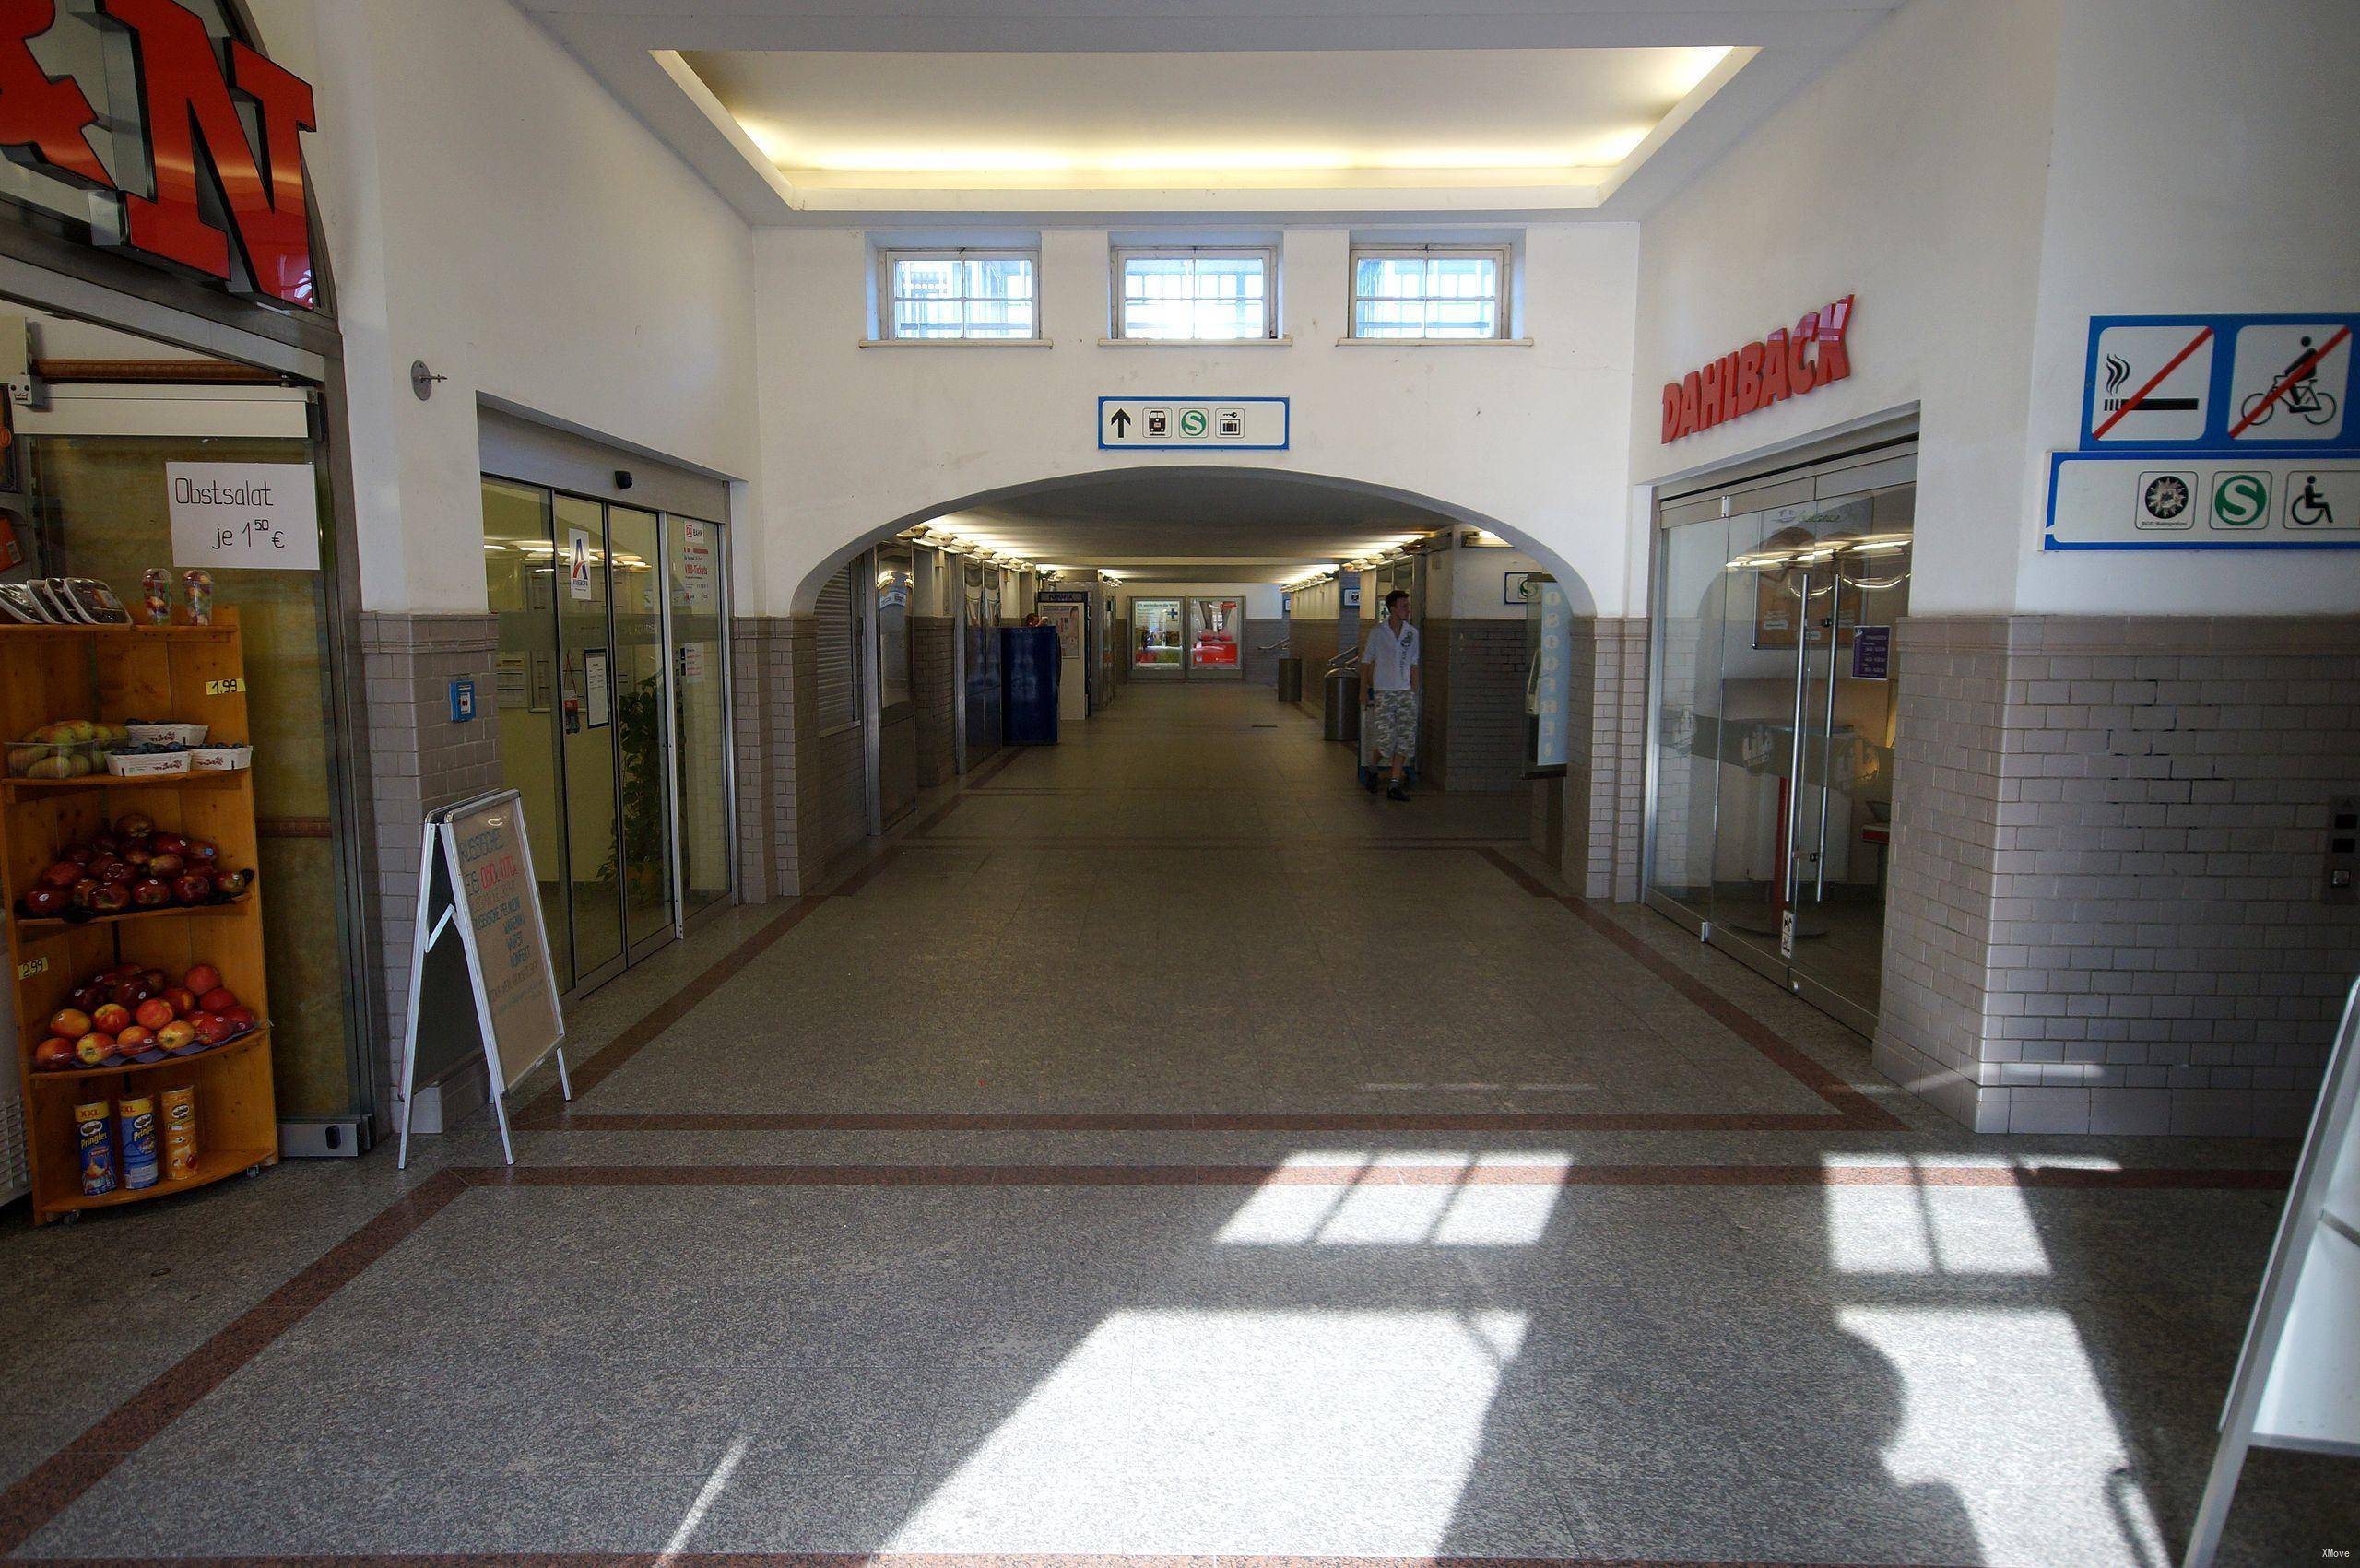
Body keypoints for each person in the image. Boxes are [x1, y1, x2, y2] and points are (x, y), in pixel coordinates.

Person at [1360, 588, 1420, 801]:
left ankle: (1394, 784)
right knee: (1385, 740)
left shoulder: (1412, 633)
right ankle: (1373, 767)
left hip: (1404, 692)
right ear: (1392, 609)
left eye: (1408, 606)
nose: (1407, 609)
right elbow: (1366, 661)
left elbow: (1414, 663)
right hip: (1384, 691)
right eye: (1404, 606)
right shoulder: (1378, 632)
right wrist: (1363, 691)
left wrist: (1414, 690)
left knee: (1404, 739)